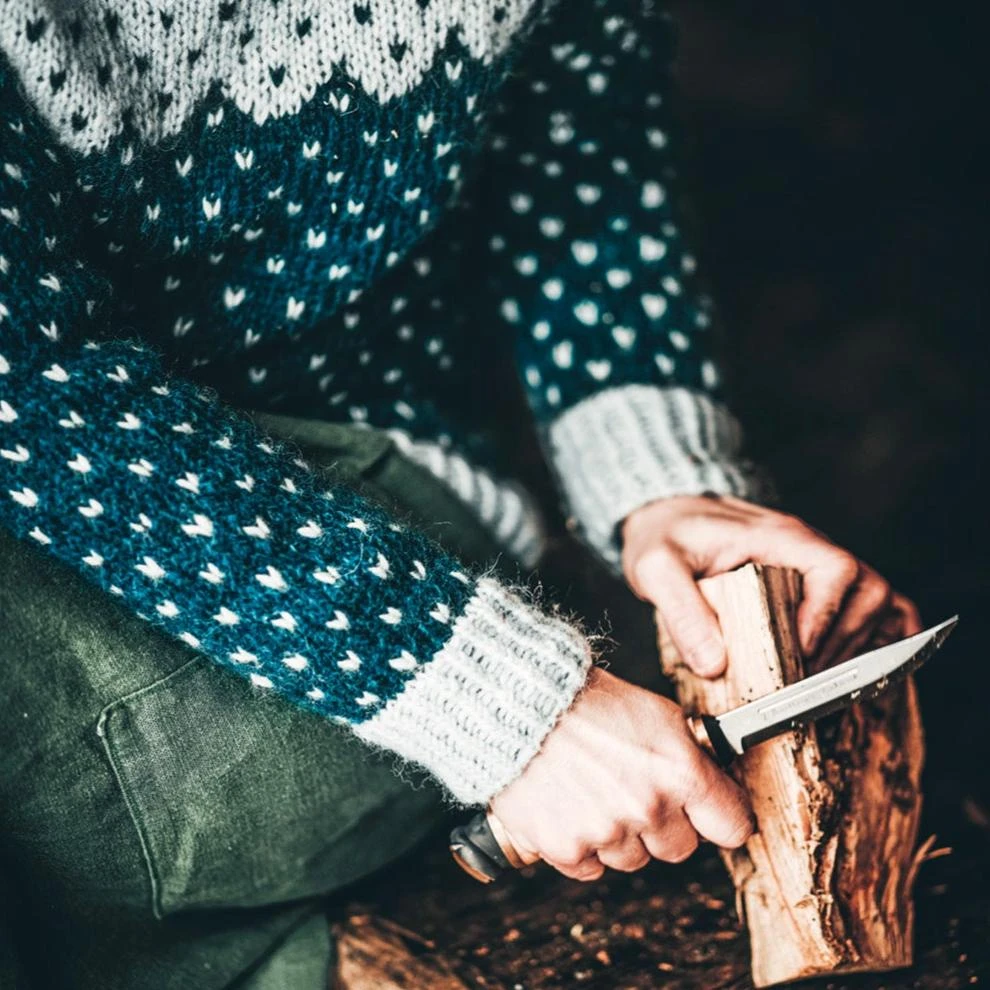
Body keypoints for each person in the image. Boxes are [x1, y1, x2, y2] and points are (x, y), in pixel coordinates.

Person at [0, 1, 922, 986]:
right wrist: (502, 701)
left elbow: (582, 169)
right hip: (147, 508)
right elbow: (30, 380)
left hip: (379, 511)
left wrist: (664, 484)